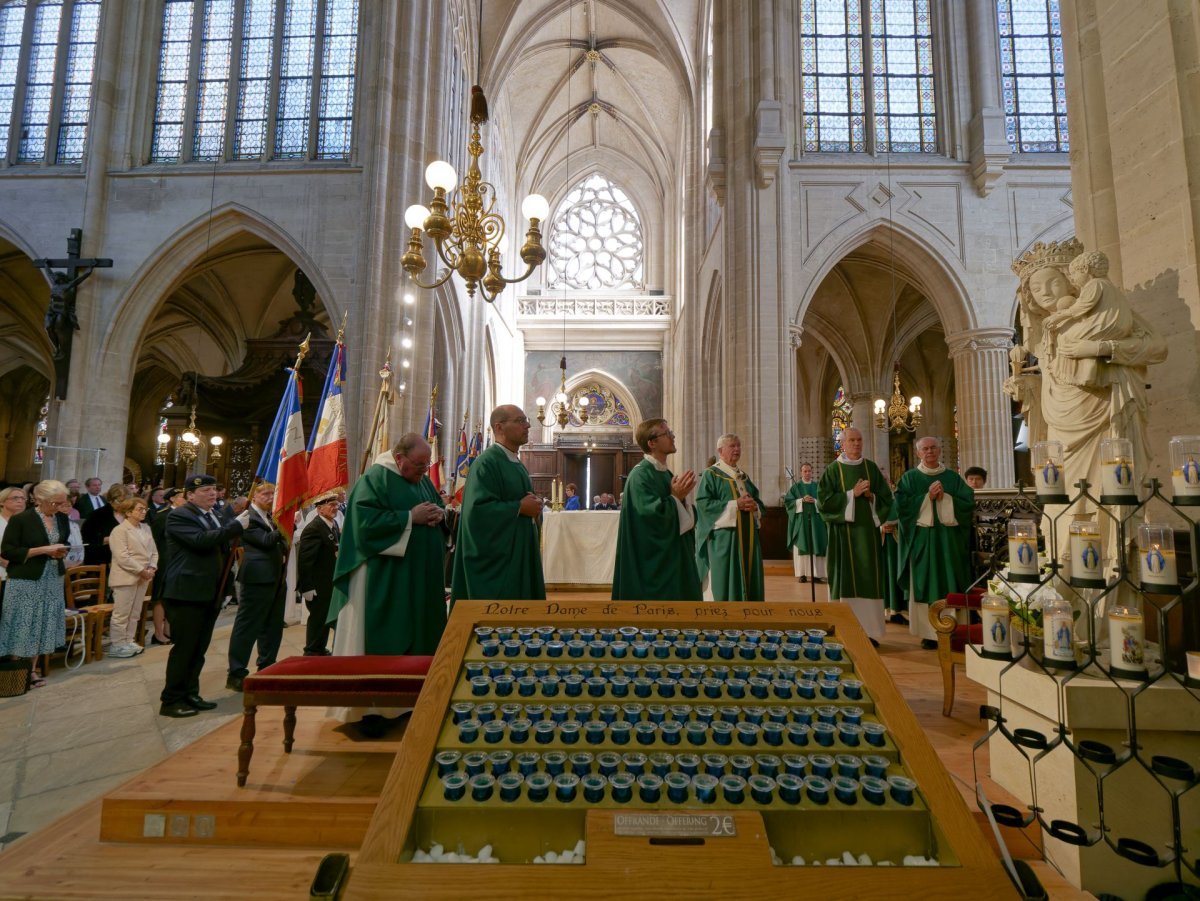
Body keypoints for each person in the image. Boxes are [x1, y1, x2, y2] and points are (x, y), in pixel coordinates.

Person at [160, 474, 243, 718]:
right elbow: (199, 541)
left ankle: (190, 693)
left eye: (213, 489)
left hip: (209, 591)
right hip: (186, 590)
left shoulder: (214, 515)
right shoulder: (180, 515)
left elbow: (223, 546)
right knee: (185, 648)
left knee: (199, 648)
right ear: (189, 495)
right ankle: (171, 699)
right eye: (205, 490)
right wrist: (235, 527)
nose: (211, 493)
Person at [451, 406, 545, 602]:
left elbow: (526, 506)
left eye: (526, 420)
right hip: (499, 564)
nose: (527, 425)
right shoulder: (486, 463)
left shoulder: (515, 463)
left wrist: (534, 508)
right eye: (520, 421)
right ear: (499, 427)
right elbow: (477, 512)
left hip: (519, 553)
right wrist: (519, 507)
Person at [893, 437, 975, 649]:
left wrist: (946, 499)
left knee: (951, 579)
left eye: (933, 448)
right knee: (925, 583)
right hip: (923, 542)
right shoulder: (910, 478)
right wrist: (926, 497)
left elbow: (967, 504)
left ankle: (954, 629)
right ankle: (929, 633)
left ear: (940, 451)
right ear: (918, 453)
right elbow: (902, 508)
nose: (929, 452)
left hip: (949, 543)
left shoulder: (952, 478)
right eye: (925, 449)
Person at [817, 428, 894, 644]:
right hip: (843, 535)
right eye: (851, 440)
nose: (856, 444)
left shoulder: (870, 468)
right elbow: (823, 503)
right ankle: (845, 630)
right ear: (842, 443)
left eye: (859, 440)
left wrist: (872, 497)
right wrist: (852, 494)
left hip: (867, 537)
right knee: (844, 579)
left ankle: (869, 632)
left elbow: (887, 499)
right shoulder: (833, 470)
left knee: (869, 579)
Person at [612, 419, 701, 601]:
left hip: (673, 559)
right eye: (666, 433)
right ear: (652, 443)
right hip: (650, 566)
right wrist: (676, 498)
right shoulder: (640, 475)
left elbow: (678, 511)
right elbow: (650, 519)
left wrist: (683, 501)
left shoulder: (665, 473)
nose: (672, 436)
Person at [0, 480, 71, 688]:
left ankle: (32, 670)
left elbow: (61, 543)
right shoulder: (22, 520)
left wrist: (60, 551)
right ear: (39, 499)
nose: (58, 507)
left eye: (61, 503)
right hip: (26, 579)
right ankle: (17, 673)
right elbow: (8, 551)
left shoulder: (62, 519)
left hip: (52, 577)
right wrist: (44, 550)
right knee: (22, 624)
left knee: (43, 623)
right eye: (54, 503)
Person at [225, 483, 288, 692]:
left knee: (273, 625)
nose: (270, 497)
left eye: (273, 493)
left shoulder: (270, 516)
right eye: (265, 493)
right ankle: (236, 672)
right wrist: (284, 525)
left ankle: (267, 665)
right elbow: (267, 541)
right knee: (248, 625)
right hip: (257, 577)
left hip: (276, 576)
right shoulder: (248, 517)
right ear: (254, 496)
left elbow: (282, 544)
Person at [1042, 250, 1134, 388]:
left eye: (1073, 274)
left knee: (1068, 337)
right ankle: (1087, 373)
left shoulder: (1095, 284)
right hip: (1116, 324)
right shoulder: (1107, 285)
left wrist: (1059, 316)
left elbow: (1082, 306)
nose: (1072, 279)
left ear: (1085, 269)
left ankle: (1072, 374)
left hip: (1106, 324)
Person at [694, 434, 765, 602]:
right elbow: (704, 505)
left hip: (748, 538)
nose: (737, 449)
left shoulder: (743, 477)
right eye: (732, 446)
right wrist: (735, 505)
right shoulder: (711, 474)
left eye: (739, 446)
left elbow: (758, 501)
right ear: (720, 450)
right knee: (724, 583)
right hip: (725, 540)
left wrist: (756, 508)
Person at [107, 497, 158, 657]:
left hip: (143, 576)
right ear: (128, 512)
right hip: (125, 576)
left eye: (145, 509)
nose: (143, 512)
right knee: (122, 612)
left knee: (135, 612)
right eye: (140, 509)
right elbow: (123, 557)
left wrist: (152, 567)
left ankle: (129, 640)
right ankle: (117, 644)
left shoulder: (146, 528)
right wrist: (142, 570)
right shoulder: (119, 530)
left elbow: (154, 552)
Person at [298, 492, 341, 656]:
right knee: (318, 618)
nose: (335, 508)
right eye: (331, 505)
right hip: (317, 584)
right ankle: (312, 651)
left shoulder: (332, 524)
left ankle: (319, 649)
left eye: (336, 505)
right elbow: (305, 560)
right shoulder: (314, 528)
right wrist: (307, 586)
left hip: (328, 582)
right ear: (320, 509)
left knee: (324, 618)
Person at [149, 487, 185, 645]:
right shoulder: (163, 516)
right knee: (161, 597)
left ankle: (169, 629)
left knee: (173, 596)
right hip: (164, 560)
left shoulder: (185, 515)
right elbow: (155, 541)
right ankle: (157, 633)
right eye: (182, 497)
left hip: (179, 560)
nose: (186, 499)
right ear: (173, 499)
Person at [784, 462, 827, 583]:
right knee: (801, 545)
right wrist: (800, 500)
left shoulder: (818, 486)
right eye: (805, 471)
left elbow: (825, 502)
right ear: (801, 472)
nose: (807, 473)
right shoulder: (795, 487)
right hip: (802, 522)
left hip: (816, 522)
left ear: (812, 472)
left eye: (809, 471)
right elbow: (788, 503)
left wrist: (816, 501)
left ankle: (817, 575)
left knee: (817, 544)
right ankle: (802, 574)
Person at [81, 483, 128, 569]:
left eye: (127, 501)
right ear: (111, 500)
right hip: (103, 561)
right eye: (120, 501)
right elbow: (86, 539)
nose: (124, 504)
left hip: (127, 561)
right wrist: (105, 540)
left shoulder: (131, 514)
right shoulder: (97, 515)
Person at [0, 487, 28, 604]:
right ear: (2, 501)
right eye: (15, 498)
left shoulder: (27, 522)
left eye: (23, 498)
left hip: (23, 574)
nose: (20, 501)